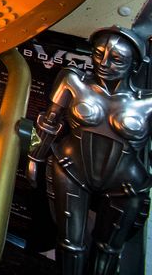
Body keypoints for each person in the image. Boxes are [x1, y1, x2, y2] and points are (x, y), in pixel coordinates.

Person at [27, 27, 152, 275]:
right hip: (70, 168)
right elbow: (46, 122)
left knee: (109, 248)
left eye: (116, 59)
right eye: (98, 54)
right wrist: (34, 156)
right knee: (69, 243)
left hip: (126, 182)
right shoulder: (72, 80)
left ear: (134, 65)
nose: (104, 63)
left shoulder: (147, 103)